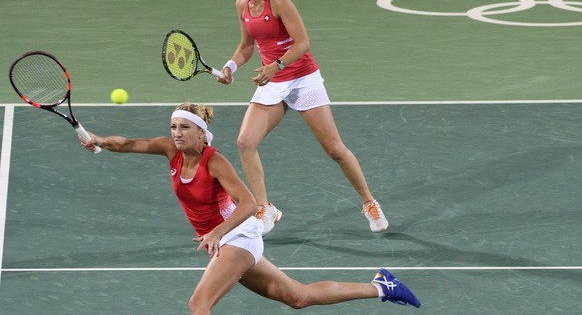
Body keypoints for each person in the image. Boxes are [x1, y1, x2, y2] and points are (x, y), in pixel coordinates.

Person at [79, 103, 421, 314]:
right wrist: (100, 140)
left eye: (185, 127)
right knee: (298, 297)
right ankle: (382, 286)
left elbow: (250, 204)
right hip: (226, 243)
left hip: (237, 237)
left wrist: (216, 232)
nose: (177, 133)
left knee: (199, 306)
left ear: (202, 133)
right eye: (173, 127)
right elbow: (127, 143)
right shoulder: (171, 151)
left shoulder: (216, 162)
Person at [219, 0, 389, 235]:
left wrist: (276, 65)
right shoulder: (242, 5)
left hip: (302, 78)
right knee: (245, 143)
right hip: (272, 81)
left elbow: (303, 44)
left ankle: (369, 202)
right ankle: (265, 208)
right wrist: (230, 67)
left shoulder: (280, 1)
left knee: (335, 149)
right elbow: (247, 46)